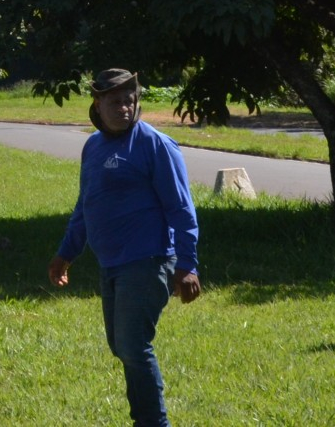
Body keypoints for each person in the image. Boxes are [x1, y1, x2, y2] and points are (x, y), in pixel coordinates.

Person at [47, 69, 201, 427]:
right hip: (111, 263)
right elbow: (86, 204)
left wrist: (188, 265)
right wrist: (66, 252)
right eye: (115, 102)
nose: (124, 108)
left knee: (133, 346)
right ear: (97, 103)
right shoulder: (93, 147)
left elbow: (181, 209)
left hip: (148, 260)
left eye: (129, 101)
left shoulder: (155, 145)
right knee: (121, 346)